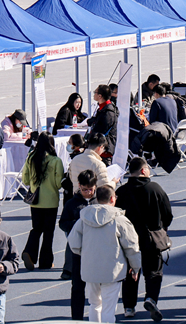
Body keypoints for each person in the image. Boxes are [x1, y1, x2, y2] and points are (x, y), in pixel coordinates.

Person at [69, 185, 142, 323]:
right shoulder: (120, 220)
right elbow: (132, 246)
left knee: (94, 304)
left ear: (97, 198)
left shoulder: (84, 218)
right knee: (109, 308)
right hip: (112, 271)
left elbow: (73, 242)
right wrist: (136, 267)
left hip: (90, 270)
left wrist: (85, 254)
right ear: (112, 199)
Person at [115, 157, 173, 321]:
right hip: (151, 237)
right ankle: (151, 298)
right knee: (154, 271)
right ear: (143, 170)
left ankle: (129, 307)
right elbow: (167, 214)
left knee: (130, 272)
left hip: (128, 239)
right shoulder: (155, 188)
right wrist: (162, 227)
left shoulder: (122, 191)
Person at [20, 132, 64, 271]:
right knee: (48, 232)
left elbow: (25, 179)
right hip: (51, 200)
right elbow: (58, 183)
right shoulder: (56, 161)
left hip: (36, 200)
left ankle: (29, 251)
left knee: (36, 228)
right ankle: (45, 261)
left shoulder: (31, 157)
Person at [59, 169, 96, 316]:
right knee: (77, 287)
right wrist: (78, 224)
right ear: (79, 186)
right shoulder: (71, 204)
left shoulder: (99, 201)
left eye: (91, 189)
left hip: (96, 251)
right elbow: (63, 223)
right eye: (84, 189)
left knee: (98, 287)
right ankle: (77, 317)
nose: (88, 192)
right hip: (78, 251)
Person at [87, 85, 118, 158]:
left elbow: (101, 130)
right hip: (99, 148)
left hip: (103, 149)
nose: (94, 94)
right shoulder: (103, 108)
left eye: (95, 92)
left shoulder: (108, 112)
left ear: (100, 96)